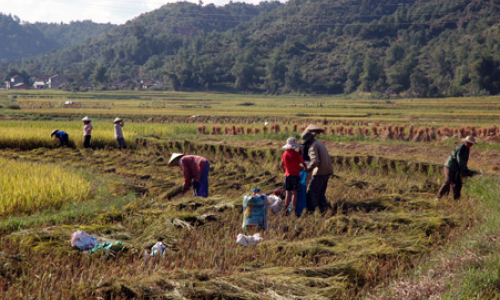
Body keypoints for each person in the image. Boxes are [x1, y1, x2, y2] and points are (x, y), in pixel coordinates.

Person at [301, 131, 333, 214]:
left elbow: (315, 161)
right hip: (328, 170)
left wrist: (307, 169)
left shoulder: (313, 146)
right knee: (321, 192)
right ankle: (324, 208)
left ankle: (313, 211)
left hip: (320, 172)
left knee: (311, 191)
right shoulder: (319, 144)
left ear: (310, 139)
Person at [436, 136, 477, 200]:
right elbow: (459, 158)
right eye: (470, 143)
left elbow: (464, 160)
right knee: (448, 181)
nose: (471, 145)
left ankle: (456, 200)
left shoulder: (467, 149)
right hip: (449, 166)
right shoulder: (461, 148)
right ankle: (438, 197)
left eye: (472, 144)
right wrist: (464, 168)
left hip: (457, 169)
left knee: (458, 184)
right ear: (467, 142)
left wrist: (465, 169)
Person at [280, 137, 307, 216]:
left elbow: (281, 165)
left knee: (288, 193)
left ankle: (286, 208)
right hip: (295, 176)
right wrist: (306, 168)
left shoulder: (284, 154)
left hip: (287, 176)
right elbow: (303, 163)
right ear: (294, 146)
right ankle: (293, 209)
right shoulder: (297, 154)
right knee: (295, 193)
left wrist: (285, 171)